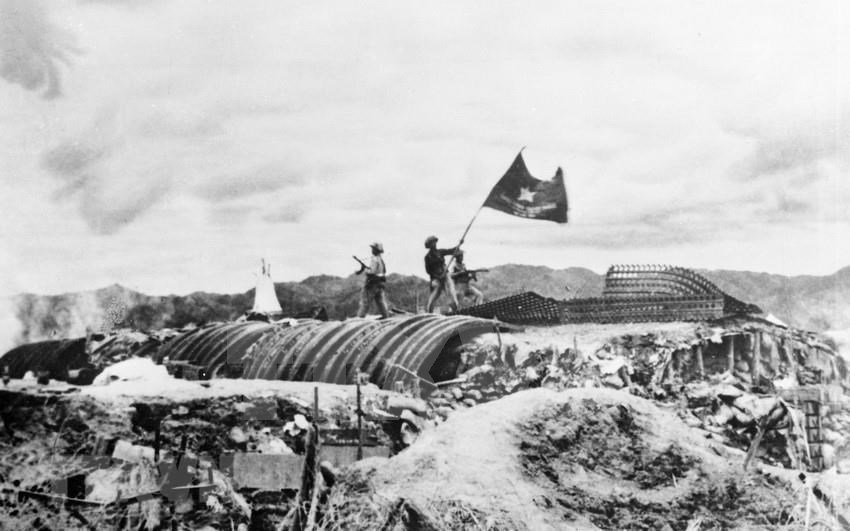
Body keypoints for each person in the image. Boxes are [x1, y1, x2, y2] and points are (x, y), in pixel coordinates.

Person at [424, 235, 460, 313]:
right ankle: (429, 311)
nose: (434, 244)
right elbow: (428, 271)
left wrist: (459, 244)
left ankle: (455, 309)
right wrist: (437, 276)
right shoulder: (428, 257)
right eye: (432, 243)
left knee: (450, 292)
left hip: (445, 275)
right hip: (436, 278)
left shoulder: (440, 252)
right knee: (436, 293)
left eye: (434, 242)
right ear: (429, 245)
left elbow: (451, 251)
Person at [356, 242, 390, 318]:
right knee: (380, 302)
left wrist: (365, 270)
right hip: (380, 284)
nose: (372, 250)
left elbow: (372, 272)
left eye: (373, 249)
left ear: (376, 250)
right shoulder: (381, 259)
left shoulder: (374, 259)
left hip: (372, 284)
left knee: (365, 303)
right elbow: (382, 271)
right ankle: (385, 317)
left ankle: (359, 319)